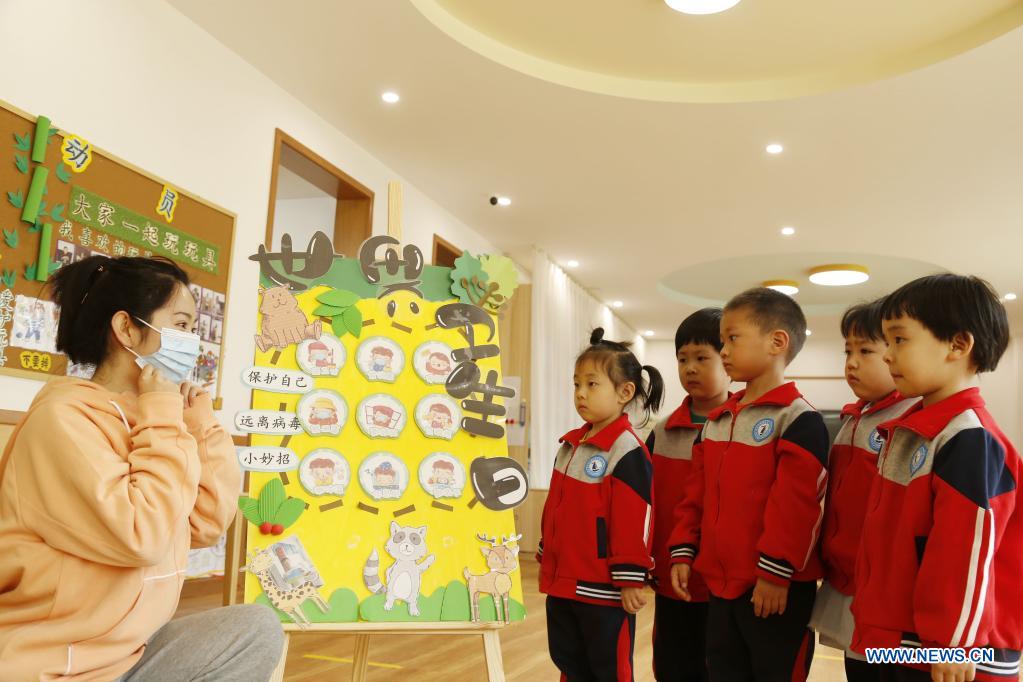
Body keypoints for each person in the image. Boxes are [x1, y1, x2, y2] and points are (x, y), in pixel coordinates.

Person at [0, 256, 283, 681]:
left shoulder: (151, 417)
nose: (193, 342)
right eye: (182, 325)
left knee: (255, 630)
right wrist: (164, 415)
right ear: (126, 328)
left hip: (127, 652)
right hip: (58, 665)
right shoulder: (62, 420)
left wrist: (199, 423)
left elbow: (205, 523)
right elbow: (142, 536)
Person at [851, 274, 1022, 682]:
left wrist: (955, 642)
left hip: (946, 653)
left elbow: (966, 551)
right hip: (896, 643)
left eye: (900, 340)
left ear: (958, 345)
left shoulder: (968, 436)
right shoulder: (913, 429)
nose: (888, 356)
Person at [668, 287, 829, 682]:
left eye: (732, 339)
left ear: (777, 342)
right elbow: (695, 496)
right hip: (721, 586)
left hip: (775, 590)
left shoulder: (797, 419)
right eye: (723, 341)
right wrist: (683, 551)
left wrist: (775, 574)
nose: (724, 350)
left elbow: (797, 505)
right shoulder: (718, 421)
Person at [538, 327, 663, 682]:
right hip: (563, 583)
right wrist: (549, 550)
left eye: (592, 384)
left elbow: (635, 519)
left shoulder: (626, 451)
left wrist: (630, 576)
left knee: (608, 669)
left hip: (603, 590)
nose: (580, 393)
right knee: (569, 661)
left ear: (625, 392)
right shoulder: (570, 444)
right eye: (576, 384)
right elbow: (556, 508)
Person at [810, 300, 917, 681]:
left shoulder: (911, 419)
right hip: (847, 582)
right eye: (848, 351)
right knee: (858, 669)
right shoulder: (853, 419)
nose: (851, 362)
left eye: (866, 350)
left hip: (887, 595)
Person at [645, 308, 731, 681]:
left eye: (702, 358)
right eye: (682, 359)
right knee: (673, 663)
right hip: (671, 578)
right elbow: (646, 504)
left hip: (725, 583)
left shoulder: (743, 427)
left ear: (728, 360)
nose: (690, 368)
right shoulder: (661, 433)